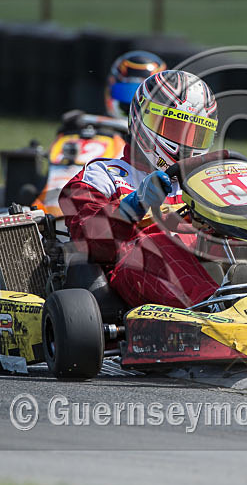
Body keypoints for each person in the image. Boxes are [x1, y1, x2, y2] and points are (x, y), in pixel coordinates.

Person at [59, 70, 223, 309]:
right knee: (157, 245)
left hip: (201, 261)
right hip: (134, 270)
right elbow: (88, 238)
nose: (185, 143)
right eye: (175, 129)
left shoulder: (203, 182)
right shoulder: (103, 175)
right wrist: (133, 207)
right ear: (143, 119)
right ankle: (213, 308)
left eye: (196, 135)